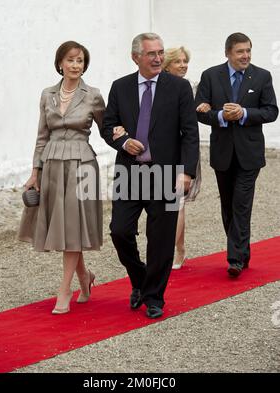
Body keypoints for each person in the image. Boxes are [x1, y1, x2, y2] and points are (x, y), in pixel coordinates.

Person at [101, 33, 199, 318]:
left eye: (160, 52)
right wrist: (122, 142)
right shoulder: (120, 87)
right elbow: (109, 126)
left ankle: (154, 297)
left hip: (167, 173)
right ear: (136, 58)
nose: (157, 58)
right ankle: (140, 280)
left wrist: (187, 172)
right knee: (119, 231)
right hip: (130, 174)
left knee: (161, 239)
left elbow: (190, 133)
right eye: (151, 54)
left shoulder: (179, 88)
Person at [18, 41, 105, 313]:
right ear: (60, 64)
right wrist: (35, 173)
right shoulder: (47, 95)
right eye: (71, 60)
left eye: (80, 61)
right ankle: (84, 277)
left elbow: (109, 128)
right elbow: (41, 136)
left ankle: (64, 290)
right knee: (67, 228)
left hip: (82, 165)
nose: (76, 65)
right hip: (53, 165)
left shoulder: (93, 95)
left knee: (73, 227)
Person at [195, 32, 278, 277]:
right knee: (228, 207)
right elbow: (199, 111)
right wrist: (220, 115)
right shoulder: (210, 76)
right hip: (222, 153)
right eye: (240, 51)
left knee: (241, 205)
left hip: (249, 154)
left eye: (249, 51)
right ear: (228, 53)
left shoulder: (262, 76)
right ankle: (243, 251)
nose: (246, 56)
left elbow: (271, 111)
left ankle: (234, 260)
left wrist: (243, 113)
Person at [162, 47, 210, 269]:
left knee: (176, 203)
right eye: (178, 61)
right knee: (168, 204)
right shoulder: (157, 86)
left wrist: (205, 106)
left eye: (185, 61)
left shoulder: (192, 88)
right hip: (161, 151)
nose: (183, 65)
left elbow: (206, 106)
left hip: (184, 150)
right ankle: (178, 249)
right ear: (167, 64)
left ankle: (171, 253)